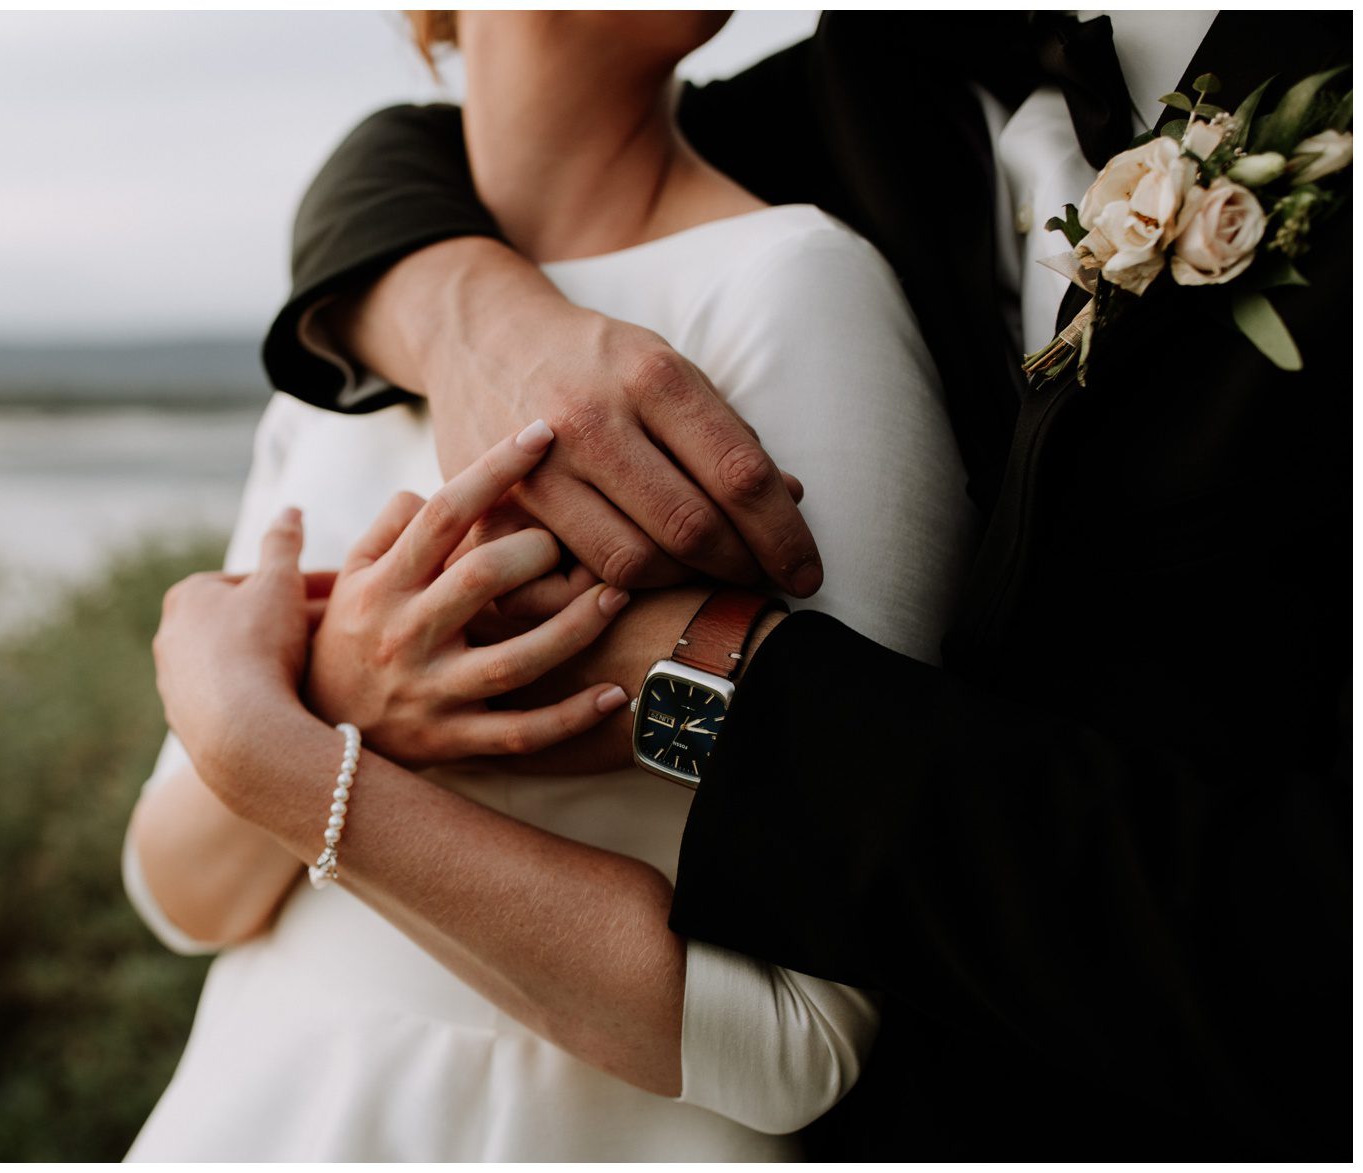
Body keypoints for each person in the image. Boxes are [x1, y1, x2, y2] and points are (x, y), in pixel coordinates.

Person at [239, 8, 1352, 1160]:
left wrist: (684, 681)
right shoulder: (878, 72)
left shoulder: (801, 269)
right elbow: (436, 146)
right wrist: (469, 314)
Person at [122, 11, 977, 1161]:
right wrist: (340, 695)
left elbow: (802, 1037)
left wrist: (280, 753)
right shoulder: (350, 336)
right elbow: (178, 897)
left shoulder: (794, 288)